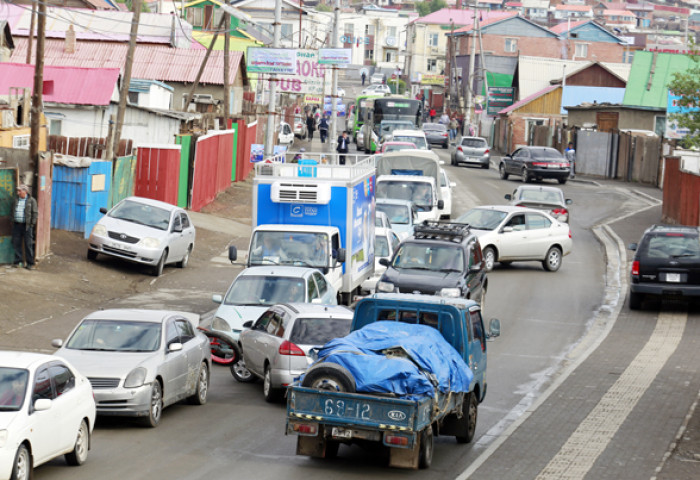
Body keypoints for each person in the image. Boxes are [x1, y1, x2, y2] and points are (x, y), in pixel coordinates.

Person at [12, 184, 38, 270]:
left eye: (20, 191)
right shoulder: (16, 199)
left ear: (25, 191)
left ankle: (30, 263)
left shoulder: (31, 201)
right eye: (18, 191)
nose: (18, 192)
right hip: (17, 225)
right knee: (17, 244)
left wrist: (31, 224)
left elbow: (35, 213)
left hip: (27, 226)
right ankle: (18, 261)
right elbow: (12, 210)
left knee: (28, 244)